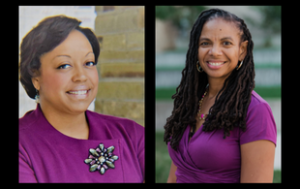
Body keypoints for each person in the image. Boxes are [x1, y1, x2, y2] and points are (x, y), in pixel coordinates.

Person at [19, 15, 144, 183]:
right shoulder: (23, 145)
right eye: (64, 65)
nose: (81, 76)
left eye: (89, 63)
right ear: (35, 77)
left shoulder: (133, 135)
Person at [164, 8, 277, 183]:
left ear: (242, 50)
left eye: (226, 43)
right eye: (205, 43)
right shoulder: (191, 101)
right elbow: (175, 176)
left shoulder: (255, 111)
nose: (214, 52)